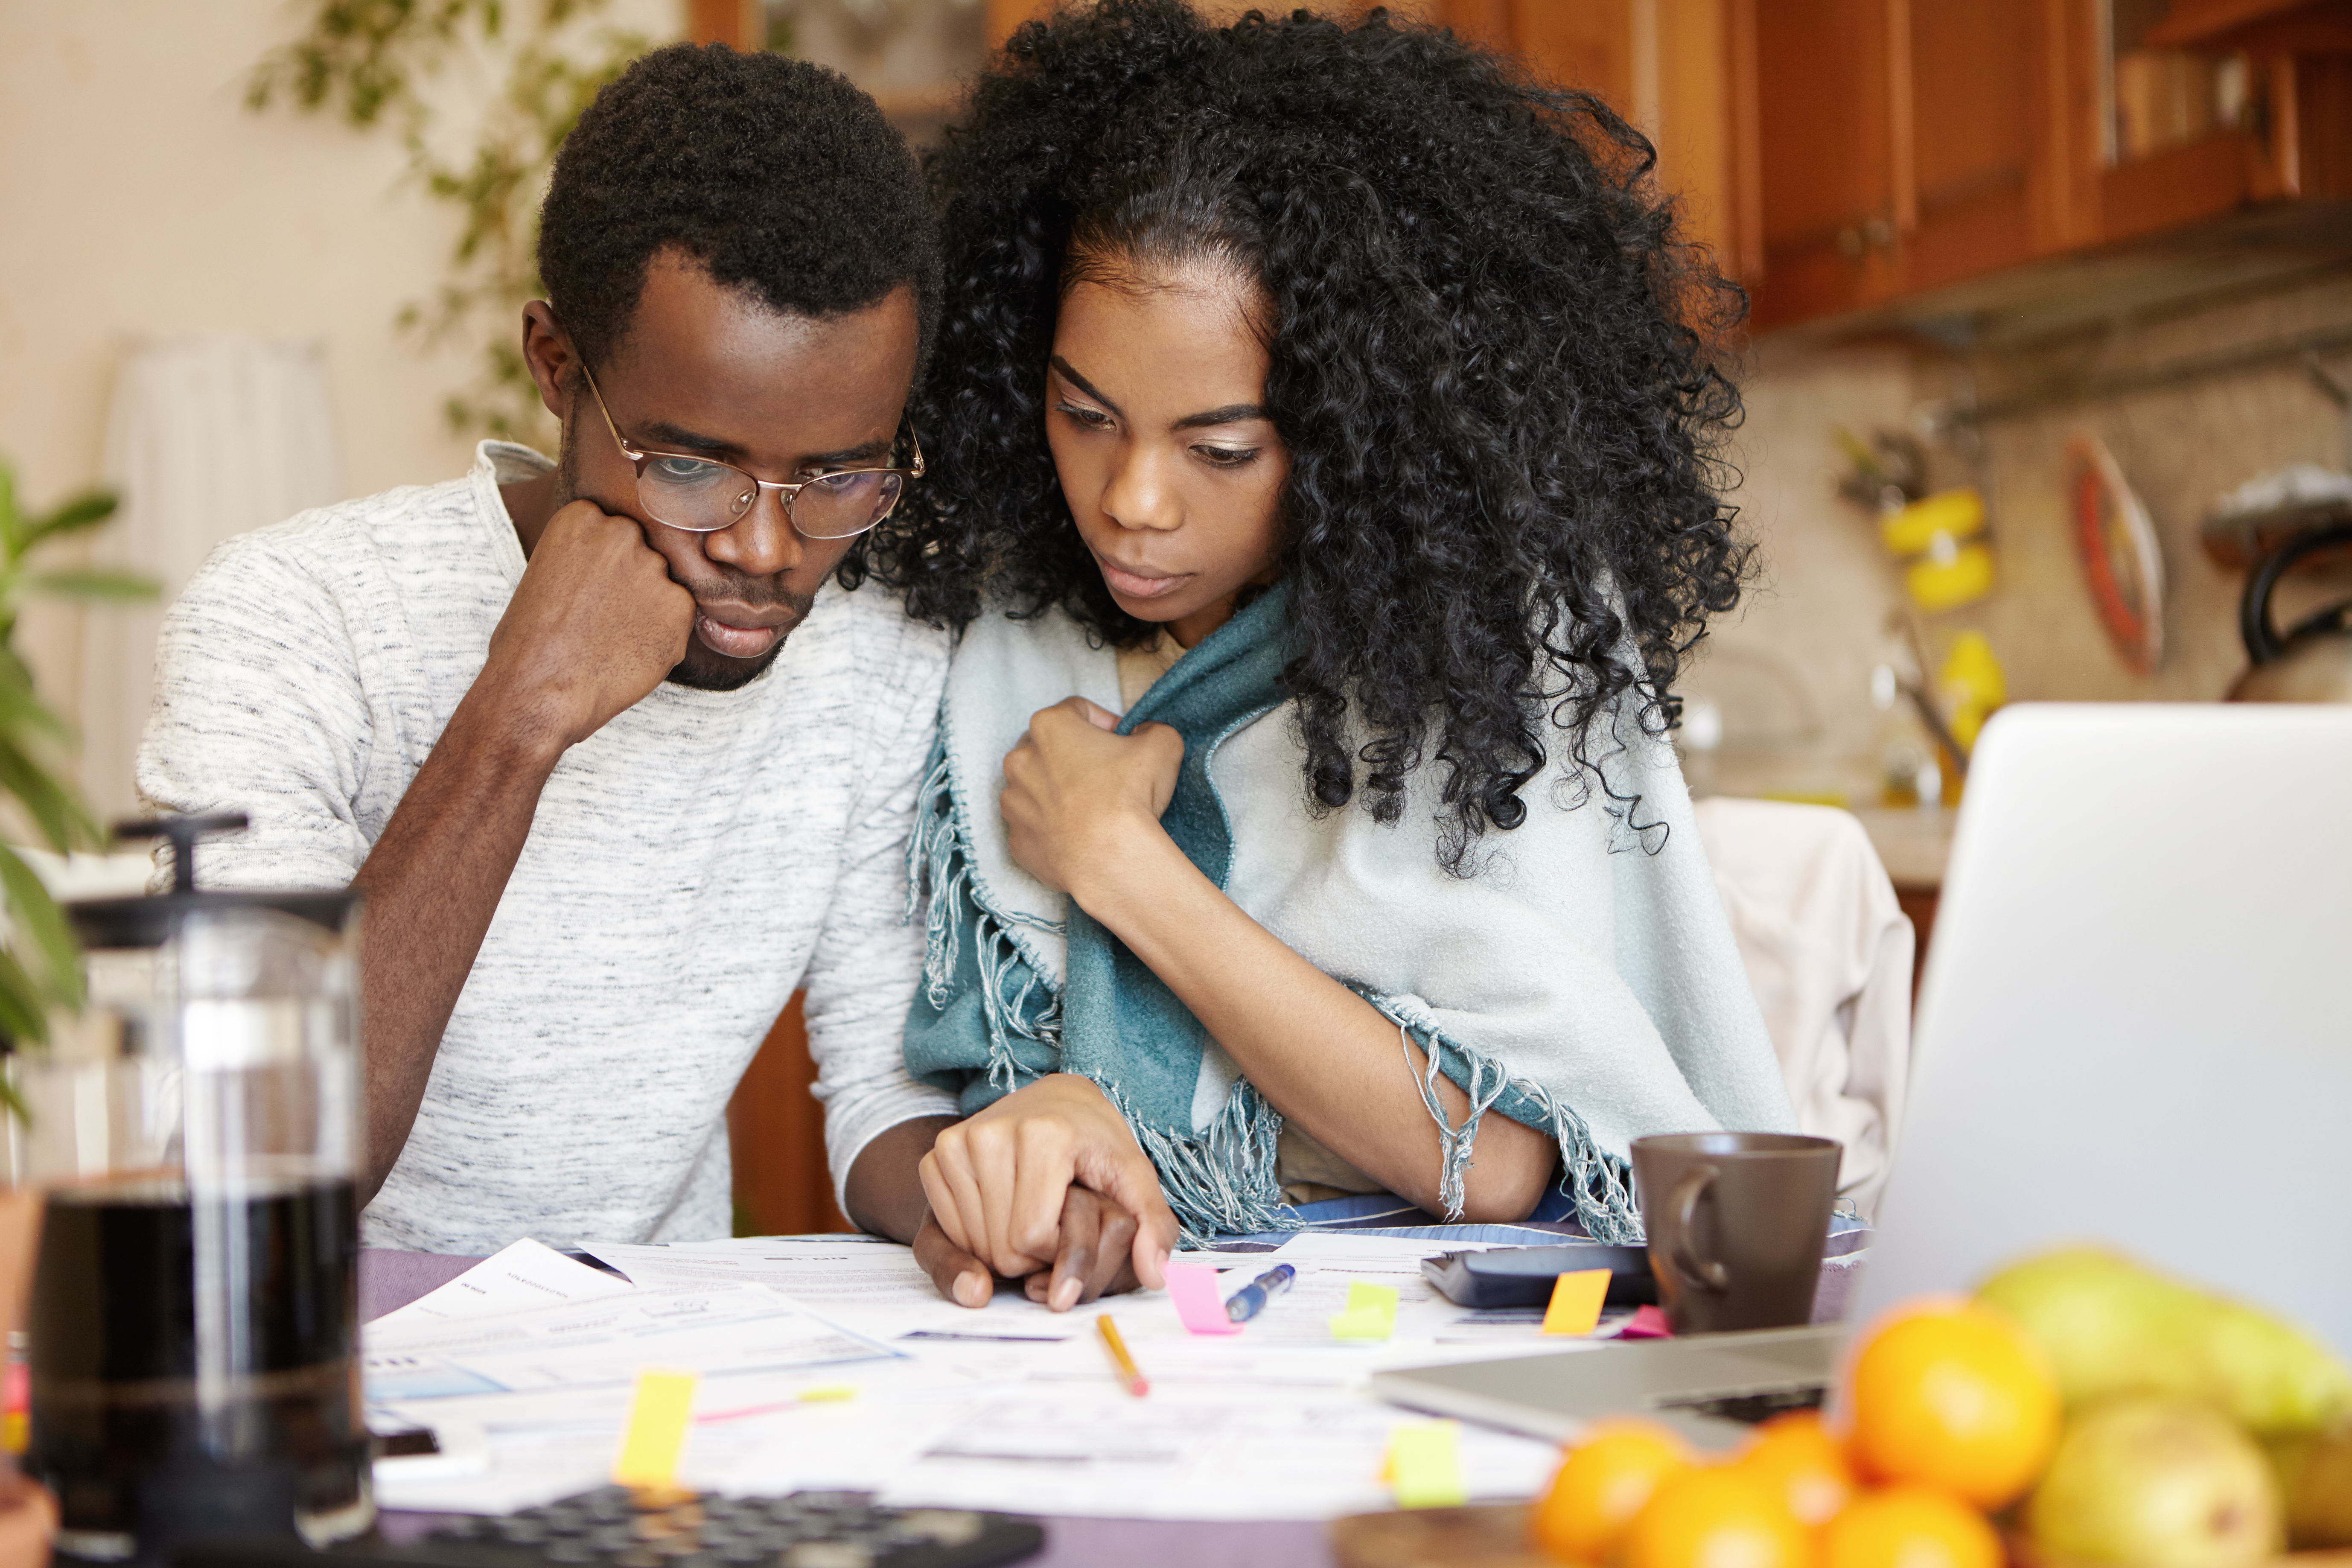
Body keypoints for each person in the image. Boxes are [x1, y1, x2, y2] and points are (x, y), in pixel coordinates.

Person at [869, 0, 1799, 1308]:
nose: (1133, 498)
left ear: (1361, 429)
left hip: (1428, 1329)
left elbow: (1493, 1159)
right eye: (1085, 414)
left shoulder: (1471, 649)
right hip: (1120, 1322)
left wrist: (1120, 859)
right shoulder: (1006, 639)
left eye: (1222, 448)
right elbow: (947, 1097)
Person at [137, 44, 963, 1254]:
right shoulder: (290, 617)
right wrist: (516, 719)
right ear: (555, 365)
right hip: (337, 1381)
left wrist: (997, 1194)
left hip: (650, 1393)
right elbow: (250, 1179)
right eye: (691, 465)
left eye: (841, 473)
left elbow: (884, 1086)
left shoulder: (876, 651)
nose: (771, 549)